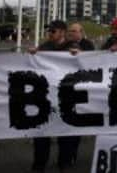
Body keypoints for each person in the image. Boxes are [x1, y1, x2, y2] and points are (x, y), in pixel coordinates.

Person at [28, 20, 76, 172]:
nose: (49, 34)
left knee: (65, 131)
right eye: (49, 31)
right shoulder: (44, 47)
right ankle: (39, 163)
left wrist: (79, 55)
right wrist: (33, 54)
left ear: (62, 32)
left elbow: (85, 61)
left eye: (53, 31)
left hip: (66, 95)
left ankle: (64, 162)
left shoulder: (72, 47)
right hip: (46, 96)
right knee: (42, 131)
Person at [60, 23, 96, 167]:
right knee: (63, 126)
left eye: (75, 31)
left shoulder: (88, 45)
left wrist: (81, 55)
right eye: (70, 31)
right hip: (64, 90)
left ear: (81, 33)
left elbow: (94, 61)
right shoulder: (63, 45)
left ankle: (71, 154)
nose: (72, 34)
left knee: (75, 126)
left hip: (81, 90)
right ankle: (64, 157)